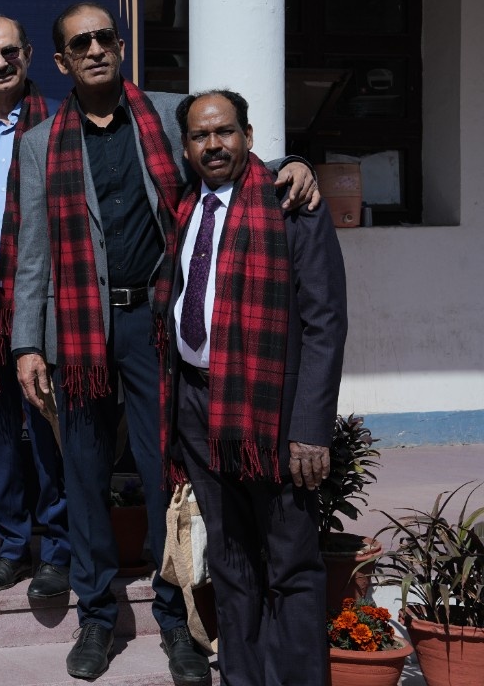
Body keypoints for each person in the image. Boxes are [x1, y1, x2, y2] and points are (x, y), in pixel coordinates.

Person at [12, 2, 318, 684]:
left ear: (120, 45)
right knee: (84, 476)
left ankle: (177, 620)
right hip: (79, 334)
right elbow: (33, 252)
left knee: (165, 477)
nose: (95, 49)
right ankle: (97, 616)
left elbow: (230, 158)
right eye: (80, 44)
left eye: (104, 37)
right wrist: (27, 343)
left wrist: (294, 162)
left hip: (156, 326)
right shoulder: (39, 144)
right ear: (61, 61)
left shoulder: (168, 114)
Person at [158, 89, 347, 686]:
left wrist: (310, 429)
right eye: (200, 136)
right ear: (185, 147)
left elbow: (325, 323)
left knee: (290, 562)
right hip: (199, 406)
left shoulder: (292, 203)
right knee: (231, 558)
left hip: (273, 415)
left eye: (226, 132)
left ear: (248, 135)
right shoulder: (184, 205)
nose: (214, 145)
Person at [0, 14, 69, 598]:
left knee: (51, 435)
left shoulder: (60, 122)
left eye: (9, 52)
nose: (0, 63)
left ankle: (58, 548)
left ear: (28, 54)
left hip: (48, 309)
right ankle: (10, 547)